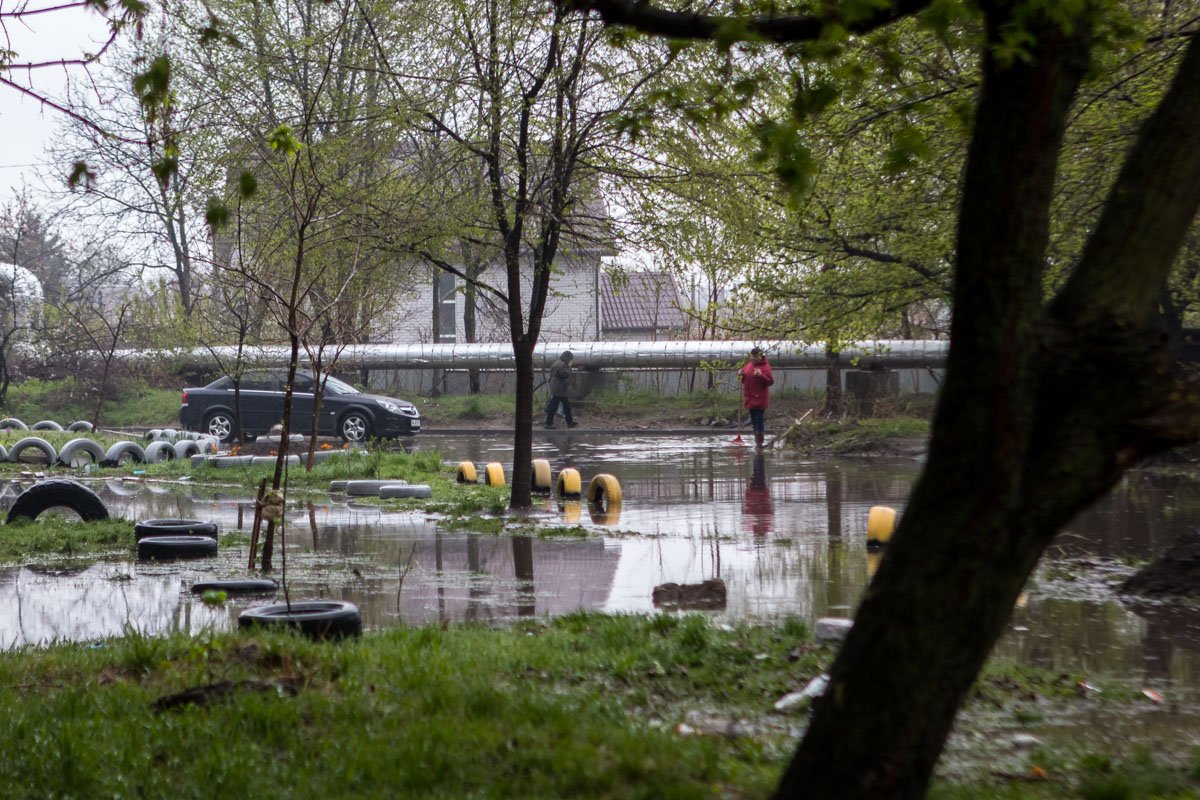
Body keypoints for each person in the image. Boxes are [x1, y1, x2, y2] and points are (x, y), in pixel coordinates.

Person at [739, 346, 774, 450]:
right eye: (752, 356)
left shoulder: (765, 367)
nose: (753, 358)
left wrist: (761, 375)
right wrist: (741, 374)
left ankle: (760, 442)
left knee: (759, 419)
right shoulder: (749, 365)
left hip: (760, 398)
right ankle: (757, 441)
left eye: (755, 356)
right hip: (750, 398)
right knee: (754, 420)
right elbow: (744, 379)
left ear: (760, 356)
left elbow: (770, 381)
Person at [544, 350, 579, 429]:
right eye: (570, 359)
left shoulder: (557, 362)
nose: (570, 361)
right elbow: (565, 374)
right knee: (556, 406)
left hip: (557, 388)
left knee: (563, 405)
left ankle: (569, 422)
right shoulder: (562, 364)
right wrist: (569, 367)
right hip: (559, 389)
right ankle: (549, 423)